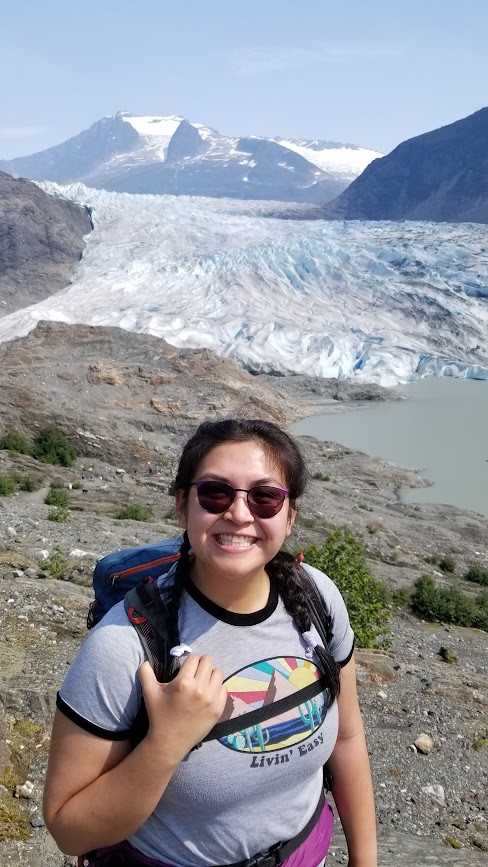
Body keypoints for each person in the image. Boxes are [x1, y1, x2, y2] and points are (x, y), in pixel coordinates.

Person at [43, 419, 377, 867]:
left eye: (264, 497)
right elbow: (67, 828)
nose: (239, 513)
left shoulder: (317, 598)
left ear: (290, 516)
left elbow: (347, 738)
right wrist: (165, 744)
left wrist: (364, 859)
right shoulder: (124, 645)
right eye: (215, 493)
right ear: (182, 507)